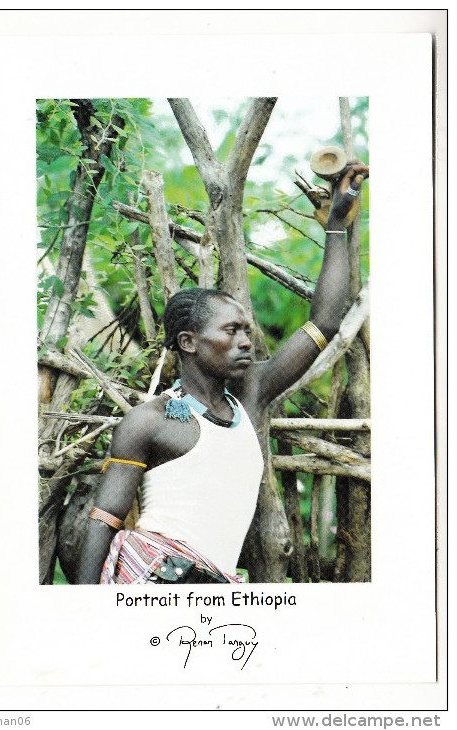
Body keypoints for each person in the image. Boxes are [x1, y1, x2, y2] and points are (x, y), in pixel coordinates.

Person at [77, 163, 369, 584]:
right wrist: (82, 614)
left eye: (246, 331)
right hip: (155, 579)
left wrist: (337, 225)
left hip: (215, 587)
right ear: (189, 342)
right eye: (231, 331)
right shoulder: (149, 422)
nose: (246, 341)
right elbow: (103, 521)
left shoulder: (251, 395)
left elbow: (324, 323)